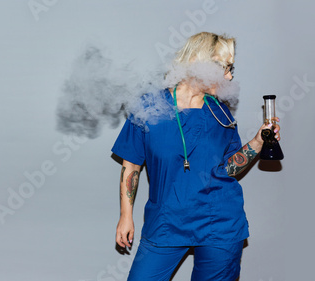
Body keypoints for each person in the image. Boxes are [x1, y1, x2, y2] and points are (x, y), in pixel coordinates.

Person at [111, 32, 281, 281]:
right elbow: (131, 166)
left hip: (220, 224)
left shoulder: (219, 112)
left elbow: (229, 169)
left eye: (231, 69)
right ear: (201, 64)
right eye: (225, 68)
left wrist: (257, 141)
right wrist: (126, 216)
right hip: (166, 222)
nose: (230, 76)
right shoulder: (148, 107)